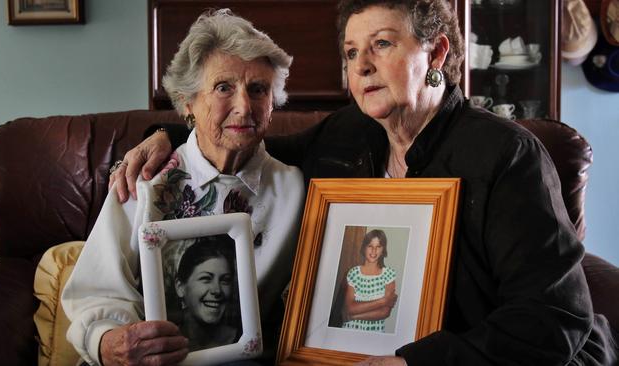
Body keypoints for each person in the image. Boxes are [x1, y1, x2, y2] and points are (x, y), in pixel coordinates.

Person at [112, 1, 618, 365]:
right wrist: (170, 133)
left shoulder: (508, 155)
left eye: (382, 44)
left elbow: (555, 319)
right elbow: (255, 148)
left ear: (437, 53)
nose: (362, 67)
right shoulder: (349, 133)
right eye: (352, 52)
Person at [62, 9, 304, 366]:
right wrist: (110, 343)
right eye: (224, 87)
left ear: (273, 103)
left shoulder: (296, 189)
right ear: (188, 102)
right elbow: (97, 290)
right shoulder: (145, 178)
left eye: (258, 90)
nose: (244, 106)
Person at [174, 236, 239, 352]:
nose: (217, 290)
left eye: (225, 280)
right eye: (206, 278)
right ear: (180, 287)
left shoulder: (242, 340)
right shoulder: (166, 342)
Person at [342, 230, 397, 333]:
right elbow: (350, 309)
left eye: (378, 246)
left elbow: (384, 312)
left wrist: (354, 316)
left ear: (383, 249)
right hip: (351, 329)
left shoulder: (389, 274)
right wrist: (383, 301)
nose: (374, 251)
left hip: (375, 331)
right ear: (364, 248)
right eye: (370, 246)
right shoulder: (353, 273)